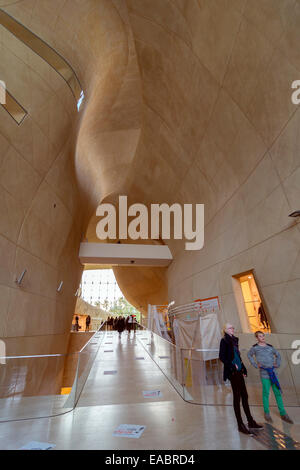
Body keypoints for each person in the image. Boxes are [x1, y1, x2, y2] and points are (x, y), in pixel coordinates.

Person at [219, 323, 263, 435]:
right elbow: (222, 357)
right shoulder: (224, 341)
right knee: (237, 396)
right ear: (225, 330)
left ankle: (250, 421)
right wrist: (232, 366)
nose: (232, 329)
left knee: (245, 395)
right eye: (230, 328)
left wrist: (243, 368)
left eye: (233, 327)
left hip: (239, 371)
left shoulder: (234, 340)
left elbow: (237, 355)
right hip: (232, 372)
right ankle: (240, 424)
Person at [247, 331, 293, 424]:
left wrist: (278, 363)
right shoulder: (255, 348)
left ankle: (283, 413)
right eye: (260, 336)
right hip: (264, 374)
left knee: (277, 393)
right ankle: (267, 413)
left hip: (273, 373)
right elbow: (249, 355)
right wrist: (255, 365)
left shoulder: (270, 347)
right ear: (257, 338)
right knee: (266, 393)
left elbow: (278, 355)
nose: (262, 337)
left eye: (263, 335)